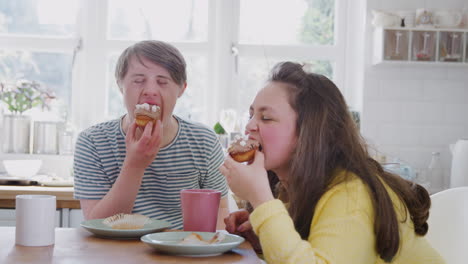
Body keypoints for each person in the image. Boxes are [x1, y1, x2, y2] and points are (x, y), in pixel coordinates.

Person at [220, 61, 444, 263]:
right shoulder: (300, 190)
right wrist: (263, 236)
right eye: (251, 115)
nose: (250, 126)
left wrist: (260, 200)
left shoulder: (351, 194)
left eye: (266, 117)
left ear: (308, 132)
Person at [73, 40, 229, 229]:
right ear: (120, 85)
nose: (150, 91)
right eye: (138, 81)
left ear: (182, 89)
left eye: (163, 82)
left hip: (182, 250)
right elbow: (97, 224)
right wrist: (135, 165)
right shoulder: (92, 142)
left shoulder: (203, 140)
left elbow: (219, 215)